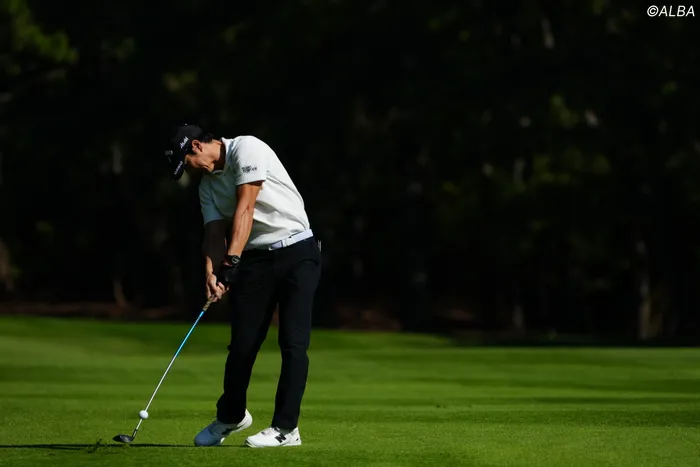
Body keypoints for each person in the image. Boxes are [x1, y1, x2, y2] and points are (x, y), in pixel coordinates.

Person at [164, 124, 321, 448]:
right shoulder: (207, 186)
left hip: (297, 251)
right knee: (242, 344)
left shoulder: (246, 148)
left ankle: (286, 428)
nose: (190, 171)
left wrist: (231, 262)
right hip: (255, 260)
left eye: (187, 163)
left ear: (197, 146)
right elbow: (213, 234)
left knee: (293, 343)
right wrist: (212, 273)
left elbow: (245, 208)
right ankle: (232, 416)